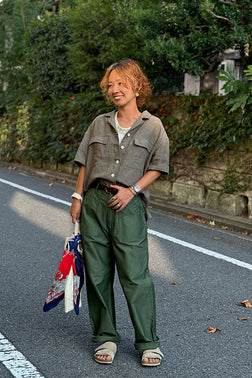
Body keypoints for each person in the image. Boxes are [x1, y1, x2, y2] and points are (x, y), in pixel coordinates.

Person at [70, 59, 169, 367]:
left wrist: (133, 190)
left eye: (122, 83)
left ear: (137, 86)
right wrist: (77, 197)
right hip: (94, 204)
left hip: (128, 205)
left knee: (135, 275)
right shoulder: (99, 122)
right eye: (110, 84)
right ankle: (106, 337)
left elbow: (158, 167)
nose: (115, 89)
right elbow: (86, 161)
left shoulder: (152, 126)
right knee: (98, 275)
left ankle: (148, 342)